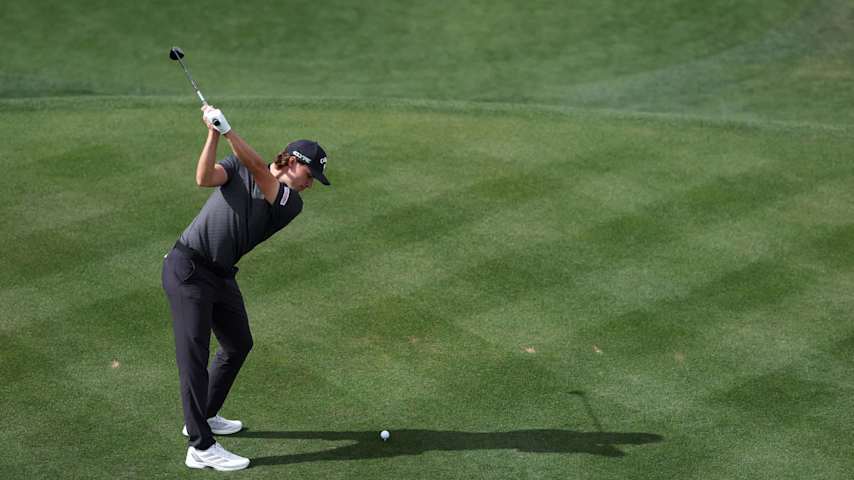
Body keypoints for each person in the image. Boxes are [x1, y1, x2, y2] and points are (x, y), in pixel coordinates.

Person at [161, 105, 330, 471]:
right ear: (291, 161)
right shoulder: (238, 166)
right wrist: (212, 132)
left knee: (238, 343)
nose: (310, 182)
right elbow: (204, 178)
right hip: (188, 267)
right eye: (310, 173)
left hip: (220, 275)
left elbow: (257, 168)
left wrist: (229, 131)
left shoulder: (289, 203)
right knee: (194, 356)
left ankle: (204, 414)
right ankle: (200, 446)